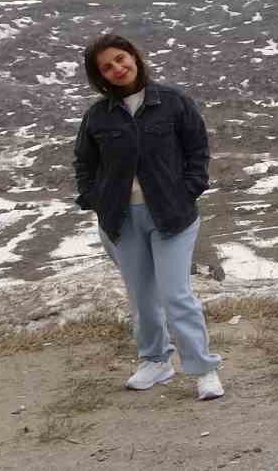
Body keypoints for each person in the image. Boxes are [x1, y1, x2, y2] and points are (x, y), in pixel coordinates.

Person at [73, 33, 225, 400]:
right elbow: (85, 162)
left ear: (135, 57)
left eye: (121, 59)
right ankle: (156, 362)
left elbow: (197, 149)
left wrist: (189, 189)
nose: (117, 68)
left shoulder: (172, 102)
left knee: (175, 294)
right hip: (122, 220)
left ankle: (203, 369)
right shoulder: (97, 116)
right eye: (107, 67)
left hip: (171, 215)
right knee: (142, 296)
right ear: (100, 76)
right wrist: (95, 199)